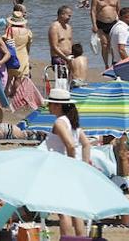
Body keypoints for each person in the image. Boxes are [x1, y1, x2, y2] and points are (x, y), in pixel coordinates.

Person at [44, 87, 91, 237]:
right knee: (75, 211)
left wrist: (70, 166)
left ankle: (68, 239)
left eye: (50, 104)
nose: (48, 107)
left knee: (63, 212)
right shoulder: (72, 122)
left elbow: (70, 145)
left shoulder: (60, 123)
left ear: (57, 105)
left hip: (62, 170)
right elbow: (86, 144)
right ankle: (81, 239)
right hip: (73, 169)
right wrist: (82, 165)